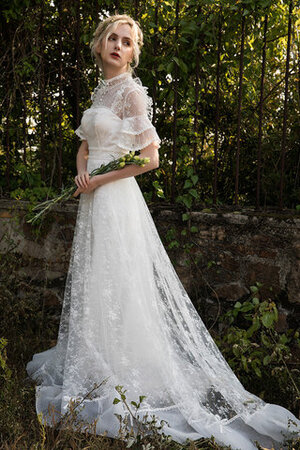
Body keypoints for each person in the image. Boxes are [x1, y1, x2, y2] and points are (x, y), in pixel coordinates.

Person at [26, 14, 300, 450]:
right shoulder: (101, 90)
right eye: (112, 38)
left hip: (116, 201)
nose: (118, 45)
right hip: (93, 199)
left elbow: (150, 158)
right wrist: (82, 176)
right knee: (98, 281)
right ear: (99, 45)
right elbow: (84, 147)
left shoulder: (133, 93)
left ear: (134, 52)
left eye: (127, 42)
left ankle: (128, 365)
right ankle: (98, 359)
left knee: (122, 282)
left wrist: (98, 180)